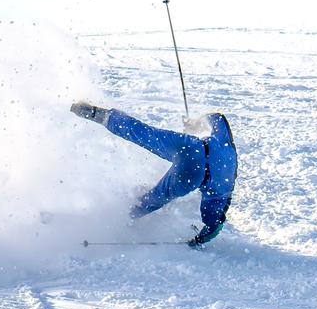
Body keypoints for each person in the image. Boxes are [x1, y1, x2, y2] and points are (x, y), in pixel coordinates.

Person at [70, 102, 238, 247]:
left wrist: (195, 124)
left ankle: (100, 114)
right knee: (155, 199)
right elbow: (214, 226)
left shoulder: (226, 143)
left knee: (147, 134)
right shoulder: (224, 190)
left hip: (190, 147)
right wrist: (199, 240)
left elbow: (217, 117)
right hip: (191, 177)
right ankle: (123, 216)